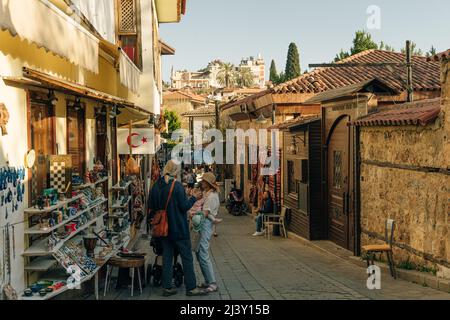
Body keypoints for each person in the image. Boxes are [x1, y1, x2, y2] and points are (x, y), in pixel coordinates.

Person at [148, 160, 207, 297]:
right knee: (186, 257)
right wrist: (193, 198)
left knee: (167, 257)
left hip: (163, 230)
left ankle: (167, 287)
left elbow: (151, 206)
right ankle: (191, 288)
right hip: (179, 229)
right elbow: (184, 206)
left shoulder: (156, 186)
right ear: (175, 171)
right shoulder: (177, 186)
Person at [191, 172, 220, 293]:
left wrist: (192, 214)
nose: (201, 182)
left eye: (203, 181)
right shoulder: (207, 194)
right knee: (199, 252)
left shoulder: (212, 196)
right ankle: (208, 280)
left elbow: (206, 213)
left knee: (203, 253)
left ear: (208, 183)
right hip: (203, 224)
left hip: (206, 225)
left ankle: (212, 282)